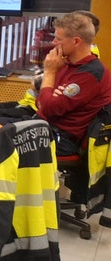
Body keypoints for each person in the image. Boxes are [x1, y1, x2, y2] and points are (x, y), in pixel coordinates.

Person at [37, 11, 111, 157]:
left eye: (58, 39)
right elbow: (41, 101)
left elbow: (49, 108)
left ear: (76, 41)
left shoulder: (91, 73)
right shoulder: (66, 63)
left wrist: (50, 72)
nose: (53, 43)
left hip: (60, 138)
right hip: (42, 126)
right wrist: (47, 98)